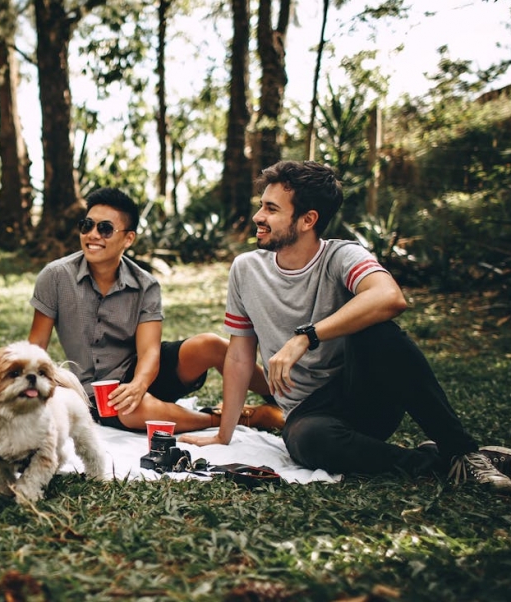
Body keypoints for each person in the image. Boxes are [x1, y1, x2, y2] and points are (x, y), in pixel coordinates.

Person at [178, 160, 511, 493]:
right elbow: (238, 356)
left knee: (379, 332)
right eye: (261, 205)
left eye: (271, 208)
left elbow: (389, 297)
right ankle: (437, 462)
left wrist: (306, 337)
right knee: (308, 442)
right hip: (309, 414)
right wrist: (224, 433)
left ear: (308, 220)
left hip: (364, 394)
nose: (258, 217)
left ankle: (462, 451)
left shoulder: (341, 256)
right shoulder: (246, 269)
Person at [28, 187, 282, 433]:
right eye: (87, 225)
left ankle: (284, 399)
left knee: (211, 345)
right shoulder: (56, 277)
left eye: (105, 229)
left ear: (128, 238)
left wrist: (139, 384)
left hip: (143, 372)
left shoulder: (145, 284)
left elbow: (150, 351)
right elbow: (36, 347)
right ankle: (239, 418)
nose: (93, 235)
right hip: (97, 392)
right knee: (132, 410)